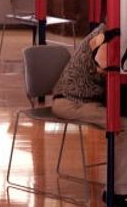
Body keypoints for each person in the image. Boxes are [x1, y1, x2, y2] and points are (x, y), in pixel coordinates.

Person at [51, 24, 127, 204]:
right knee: (122, 124)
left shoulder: (114, 30)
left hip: (85, 99)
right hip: (71, 101)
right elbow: (106, 71)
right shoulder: (107, 37)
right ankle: (117, 191)